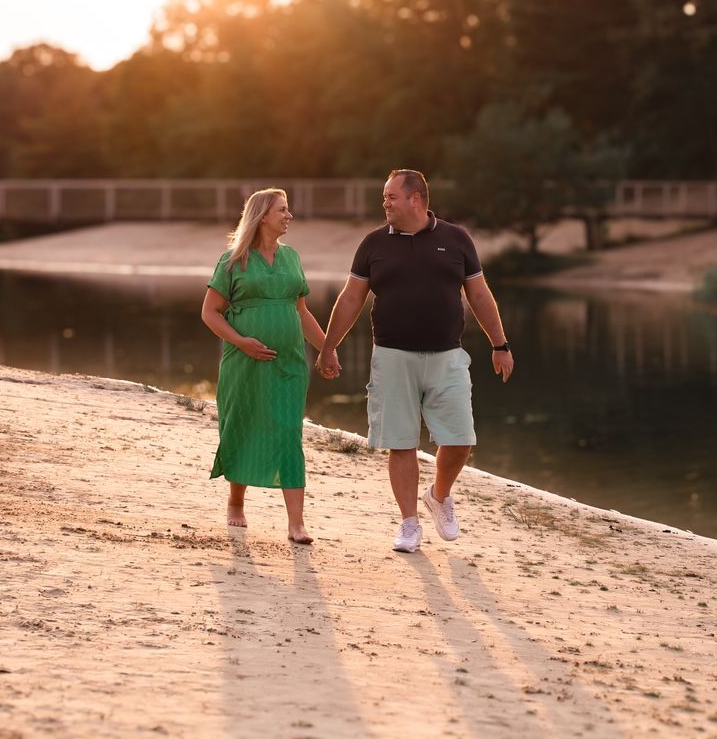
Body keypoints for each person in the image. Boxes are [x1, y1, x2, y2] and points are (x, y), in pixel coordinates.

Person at [317, 169, 513, 553]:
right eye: (384, 197)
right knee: (400, 441)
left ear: (416, 199)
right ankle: (409, 524)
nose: (385, 203)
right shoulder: (373, 244)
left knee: (460, 440)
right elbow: (351, 298)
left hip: (447, 355)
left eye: (391, 196)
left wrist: (500, 344)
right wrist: (328, 346)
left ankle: (439, 496)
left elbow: (479, 293)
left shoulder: (456, 239)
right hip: (392, 356)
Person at [199, 187, 329, 544]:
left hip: (288, 362)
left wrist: (327, 349)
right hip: (243, 362)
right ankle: (236, 502)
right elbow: (210, 312)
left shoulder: (292, 257)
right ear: (261, 216)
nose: (289, 216)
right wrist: (241, 342)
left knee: (289, 431)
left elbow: (301, 312)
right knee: (242, 425)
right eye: (282, 210)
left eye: (288, 210)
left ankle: (296, 523)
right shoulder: (232, 261)